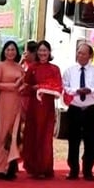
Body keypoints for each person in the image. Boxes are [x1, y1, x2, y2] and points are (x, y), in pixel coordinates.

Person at [62, 42, 94, 181]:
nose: (80, 56)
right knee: (73, 140)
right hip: (75, 108)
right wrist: (76, 91)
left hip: (91, 108)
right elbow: (65, 87)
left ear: (90, 56)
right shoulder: (69, 70)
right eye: (78, 53)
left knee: (91, 140)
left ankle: (88, 169)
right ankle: (73, 169)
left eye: (83, 53)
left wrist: (90, 90)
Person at [23, 41, 63, 179]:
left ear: (49, 52)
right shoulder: (32, 67)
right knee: (33, 135)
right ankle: (33, 167)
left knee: (46, 137)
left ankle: (45, 168)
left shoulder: (55, 69)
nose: (42, 53)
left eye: (45, 51)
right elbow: (26, 87)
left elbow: (59, 87)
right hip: (34, 106)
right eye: (40, 51)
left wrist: (45, 87)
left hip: (48, 107)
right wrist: (33, 88)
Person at [0, 40, 25, 180]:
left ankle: (11, 166)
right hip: (5, 102)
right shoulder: (0, 66)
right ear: (4, 51)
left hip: (17, 103)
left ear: (16, 52)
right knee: (2, 134)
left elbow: (23, 84)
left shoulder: (20, 67)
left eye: (13, 50)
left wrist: (22, 86)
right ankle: (0, 167)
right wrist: (13, 86)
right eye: (8, 49)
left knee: (14, 134)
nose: (10, 52)